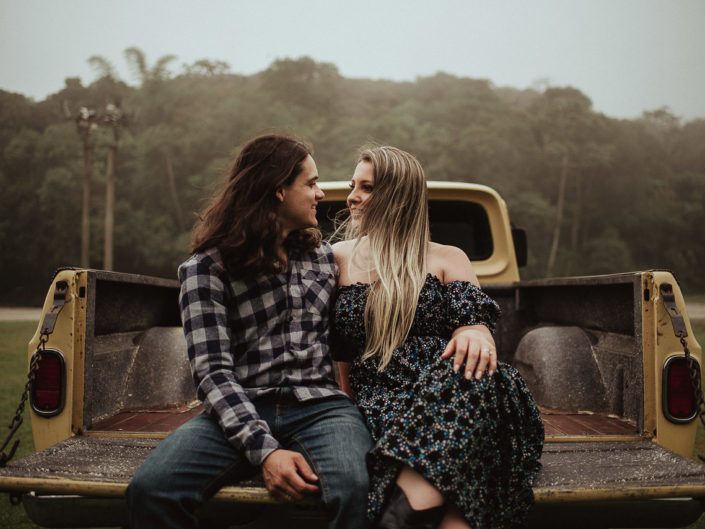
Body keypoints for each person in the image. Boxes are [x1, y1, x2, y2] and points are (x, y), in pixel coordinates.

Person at [126, 134, 373, 529]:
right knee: (151, 490)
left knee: (358, 488)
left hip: (321, 407)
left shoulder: (324, 258)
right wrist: (267, 453)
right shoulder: (204, 270)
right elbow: (212, 374)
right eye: (310, 183)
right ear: (278, 190)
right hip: (242, 403)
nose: (320, 193)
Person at [331, 146, 544, 529]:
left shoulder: (448, 258)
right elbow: (337, 348)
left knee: (474, 374)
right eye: (353, 185)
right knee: (459, 505)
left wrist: (475, 331)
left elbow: (473, 318)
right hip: (380, 397)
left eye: (366, 187)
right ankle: (416, 511)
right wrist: (344, 400)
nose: (352, 196)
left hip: (455, 394)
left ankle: (409, 506)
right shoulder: (336, 258)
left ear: (398, 196)